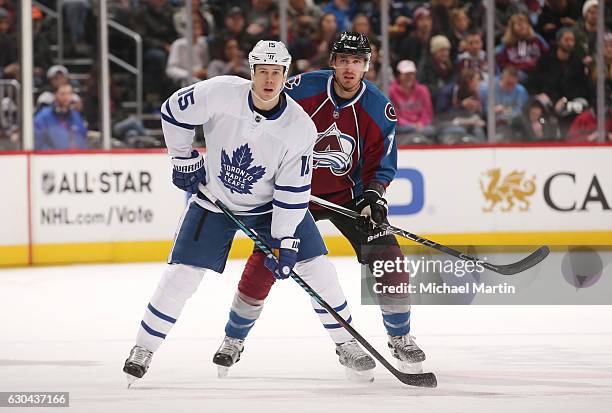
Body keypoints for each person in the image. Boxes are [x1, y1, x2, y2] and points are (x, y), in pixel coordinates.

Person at [122, 40, 375, 385]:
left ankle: (346, 343)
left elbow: (292, 192)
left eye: (276, 73)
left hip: (272, 206)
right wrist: (182, 157)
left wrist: (285, 240)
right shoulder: (220, 92)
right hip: (215, 200)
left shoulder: (300, 128)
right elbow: (173, 110)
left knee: (318, 269)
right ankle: (144, 347)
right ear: (251, 72)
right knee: (181, 276)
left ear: (286, 76)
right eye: (263, 72)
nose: (269, 80)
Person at [214, 32, 427, 378]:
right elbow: (266, 124)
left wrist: (373, 195)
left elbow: (380, 163)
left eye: (357, 62)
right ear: (333, 62)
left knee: (389, 258)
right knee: (267, 259)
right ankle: (233, 339)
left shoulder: (377, 108)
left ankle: (400, 336)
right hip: (295, 193)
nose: (349, 68)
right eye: (343, 60)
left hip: (349, 197)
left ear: (367, 66)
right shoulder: (301, 90)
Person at [389, 59, 435, 144]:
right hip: (402, 127)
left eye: (412, 74)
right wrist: (411, 125)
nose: (409, 77)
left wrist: (421, 123)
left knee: (431, 130)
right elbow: (394, 115)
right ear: (399, 75)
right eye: (406, 74)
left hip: (422, 126)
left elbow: (427, 112)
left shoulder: (423, 90)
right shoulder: (391, 91)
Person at [34, 83, 88, 150]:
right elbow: (38, 139)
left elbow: (82, 137)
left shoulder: (75, 115)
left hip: (73, 157)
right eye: (63, 94)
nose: (66, 97)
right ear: (55, 94)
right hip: (50, 157)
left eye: (69, 93)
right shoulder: (44, 115)